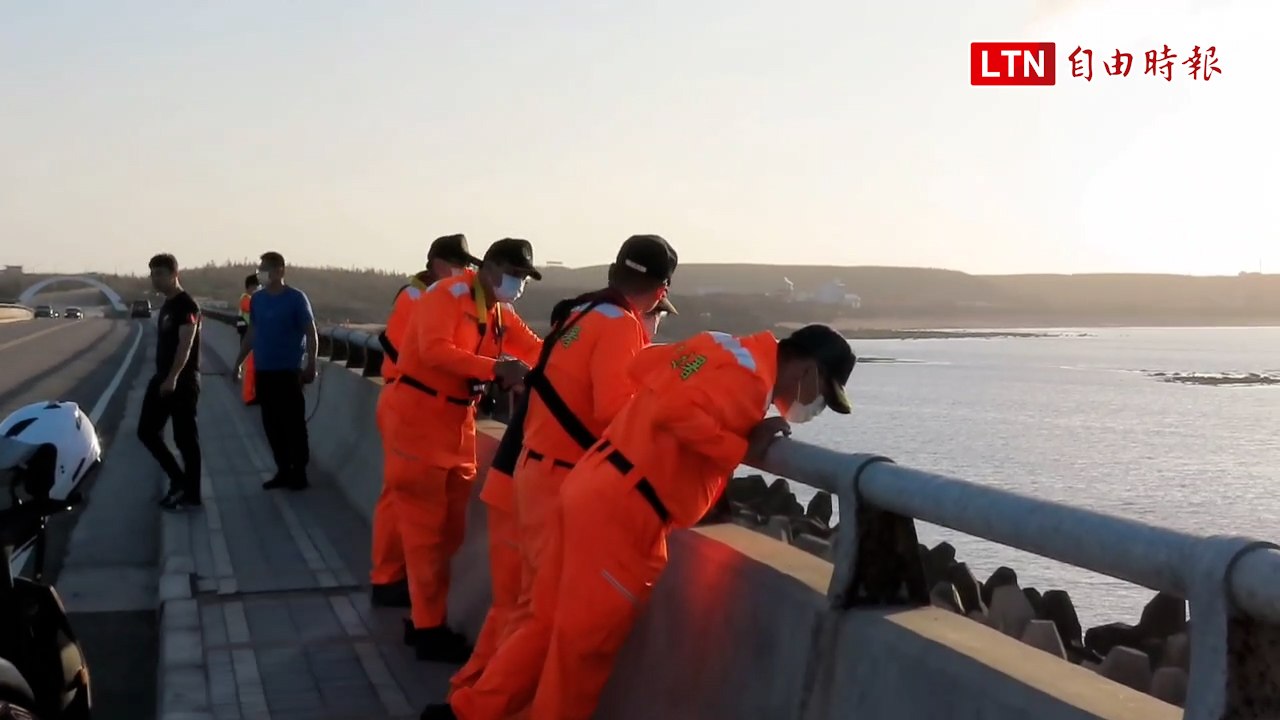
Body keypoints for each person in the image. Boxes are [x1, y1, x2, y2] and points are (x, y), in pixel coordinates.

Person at [428, 324, 857, 720]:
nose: (816, 406)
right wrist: (739, 446)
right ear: (807, 370)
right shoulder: (748, 381)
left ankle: (465, 713)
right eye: (822, 393)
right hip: (627, 512)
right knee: (583, 649)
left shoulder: (720, 345)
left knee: (545, 622)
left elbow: (643, 366)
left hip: (596, 484)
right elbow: (674, 411)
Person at [442, 235, 678, 719]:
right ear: (660, 291)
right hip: (563, 483)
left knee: (532, 607)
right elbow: (615, 413)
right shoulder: (620, 328)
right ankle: (471, 708)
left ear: (614, 272)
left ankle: (475, 702)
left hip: (534, 471)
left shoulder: (581, 315)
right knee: (544, 615)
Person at [380, 238, 544, 663]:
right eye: (513, 274)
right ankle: (427, 629)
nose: (517, 284)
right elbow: (434, 351)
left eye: (523, 278)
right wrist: (494, 368)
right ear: (488, 267)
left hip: (457, 426)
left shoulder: (498, 313)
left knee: (448, 533)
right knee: (424, 536)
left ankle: (424, 615)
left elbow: (536, 351)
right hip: (418, 423)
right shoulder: (445, 296)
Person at [371, 234, 482, 608]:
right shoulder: (419, 296)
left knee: (407, 499)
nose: (463, 271)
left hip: (425, 407)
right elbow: (423, 356)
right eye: (456, 262)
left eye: (466, 264)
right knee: (401, 498)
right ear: (435, 262)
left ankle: (397, 577)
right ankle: (388, 578)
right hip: (410, 404)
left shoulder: (445, 298)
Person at [233, 252, 319, 491]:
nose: (262, 273)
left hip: (289, 372)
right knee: (271, 425)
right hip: (264, 371)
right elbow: (252, 332)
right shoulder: (258, 300)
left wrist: (311, 363)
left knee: (293, 425)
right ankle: (283, 470)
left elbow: (311, 332)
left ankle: (299, 472)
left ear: (280, 270)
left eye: (266, 268)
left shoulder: (296, 299)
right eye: (260, 268)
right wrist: (239, 360)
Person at [137, 253, 203, 511]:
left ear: (175, 275)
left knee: (186, 439)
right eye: (152, 274)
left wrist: (173, 378)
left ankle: (191, 493)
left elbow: (186, 345)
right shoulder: (166, 305)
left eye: (160, 274)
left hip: (180, 381)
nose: (155, 279)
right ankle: (179, 480)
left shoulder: (187, 306)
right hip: (164, 378)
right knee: (146, 431)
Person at [238, 273, 260, 406]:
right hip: (247, 335)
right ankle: (248, 396)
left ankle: (254, 393)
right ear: (251, 286)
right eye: (258, 287)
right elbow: (251, 308)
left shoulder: (250, 298)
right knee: (250, 367)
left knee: (254, 367)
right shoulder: (246, 298)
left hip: (251, 334)